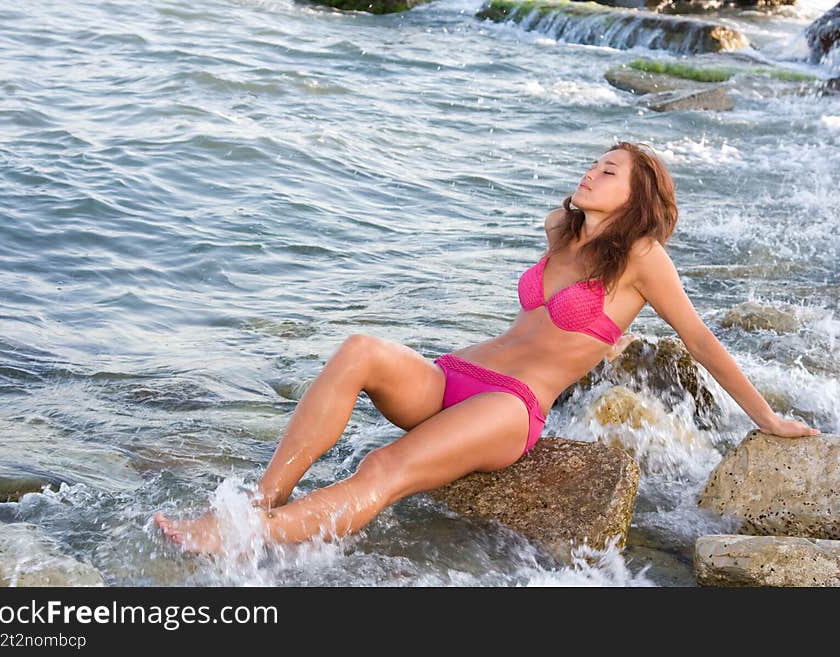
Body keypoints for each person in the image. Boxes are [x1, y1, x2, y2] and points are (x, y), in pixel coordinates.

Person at [154, 141, 820, 554]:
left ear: (639, 194)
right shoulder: (564, 231)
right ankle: (263, 501)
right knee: (359, 347)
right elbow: (556, 246)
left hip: (510, 406)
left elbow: (699, 338)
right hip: (455, 375)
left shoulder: (644, 257)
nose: (590, 171)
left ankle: (239, 539)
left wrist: (764, 417)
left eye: (608, 169)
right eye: (592, 163)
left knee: (385, 468)